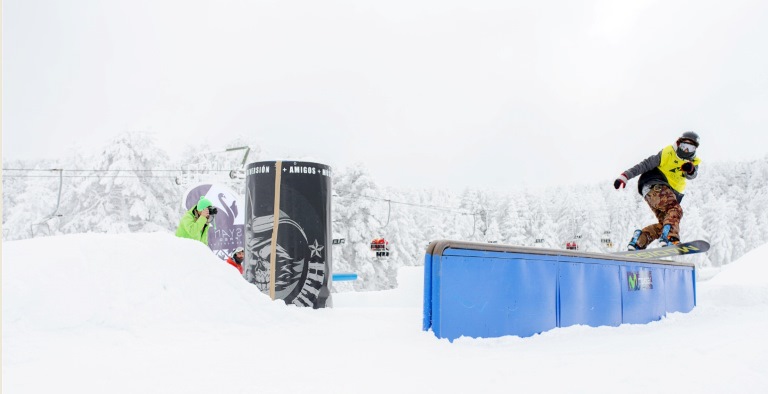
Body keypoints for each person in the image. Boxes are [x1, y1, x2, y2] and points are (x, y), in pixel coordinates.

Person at [613, 131, 701, 250]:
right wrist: (625, 176)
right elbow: (645, 165)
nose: (686, 151)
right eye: (684, 146)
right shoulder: (667, 153)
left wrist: (690, 170)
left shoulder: (692, 163)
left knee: (665, 224)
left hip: (653, 193)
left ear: (694, 150)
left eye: (690, 148)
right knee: (675, 210)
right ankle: (670, 238)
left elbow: (692, 175)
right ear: (679, 144)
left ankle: (639, 241)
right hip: (656, 185)